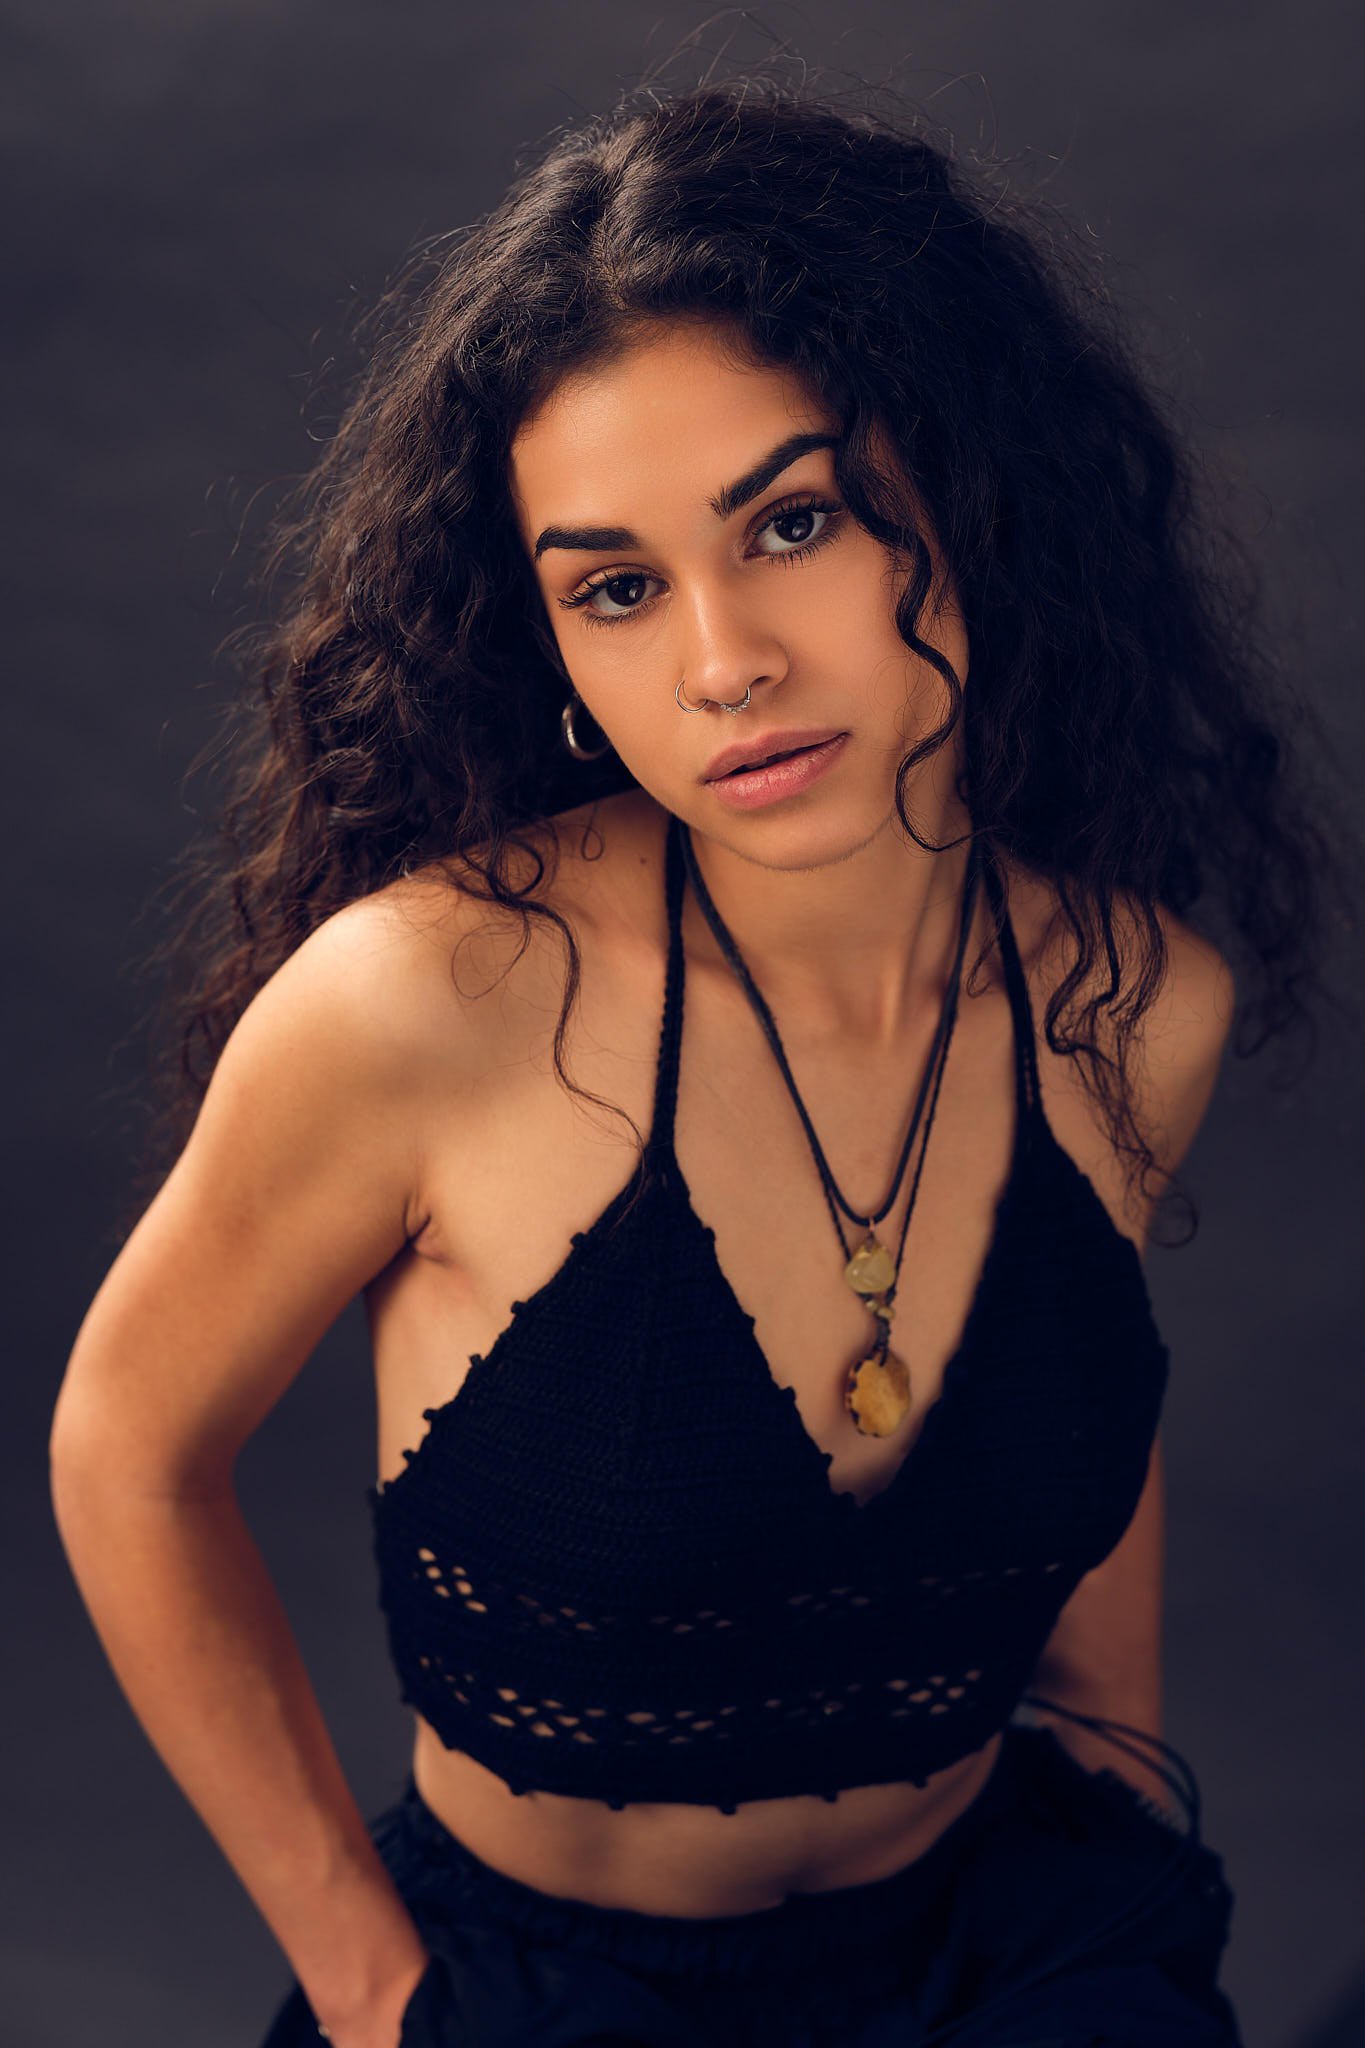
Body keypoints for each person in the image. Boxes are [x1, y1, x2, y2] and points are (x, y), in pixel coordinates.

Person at [51, 71, 1350, 2048]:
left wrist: (1114, 1833)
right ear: (555, 646)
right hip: (546, 1999)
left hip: (1003, 1960)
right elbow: (126, 1451)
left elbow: (1081, 1414)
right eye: (616, 587)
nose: (723, 660)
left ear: (971, 498)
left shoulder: (1128, 1001)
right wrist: (376, 1989)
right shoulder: (431, 1002)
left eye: (793, 522)